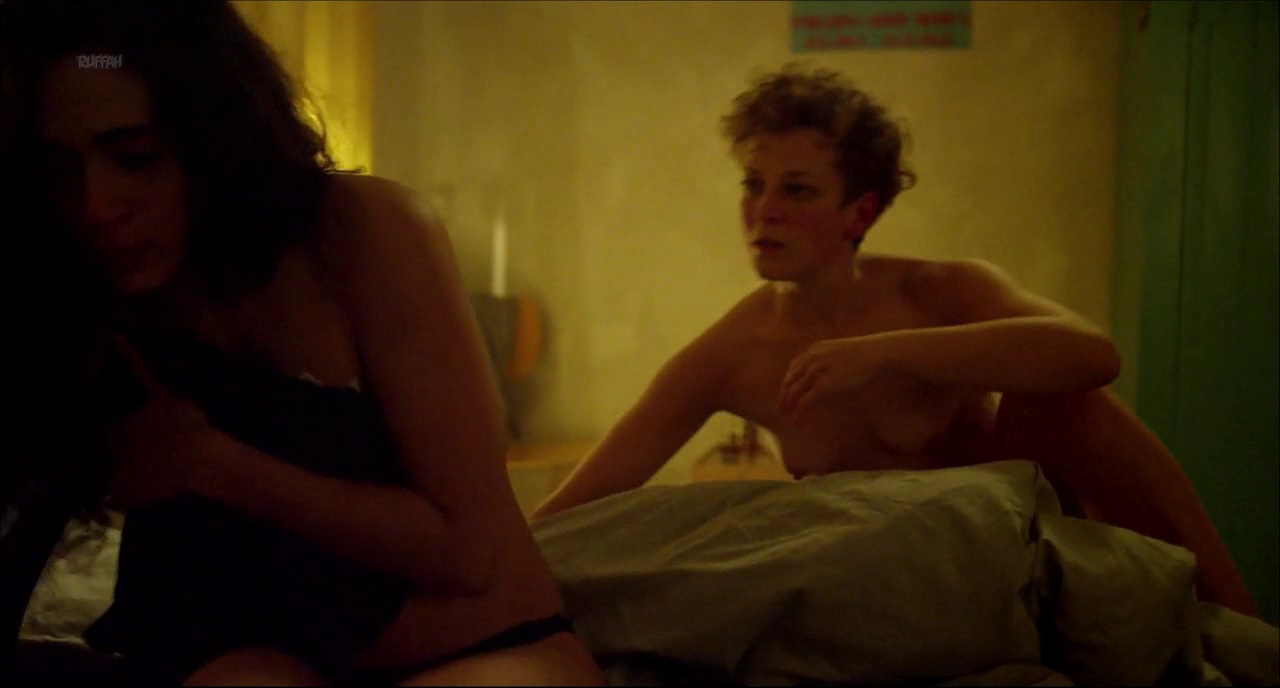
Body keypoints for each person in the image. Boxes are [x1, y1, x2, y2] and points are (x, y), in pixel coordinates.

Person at [0, 1, 603, 684]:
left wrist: (213, 464)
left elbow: (470, 551)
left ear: (212, 137)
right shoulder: (81, 288)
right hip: (257, 650)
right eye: (61, 171)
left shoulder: (360, 232)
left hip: (482, 644)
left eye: (135, 158)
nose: (96, 206)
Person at [532, 64, 1257, 617]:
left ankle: (1242, 623)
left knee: (1063, 403)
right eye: (753, 185)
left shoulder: (937, 291)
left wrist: (883, 352)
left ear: (860, 211)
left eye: (797, 190)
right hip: (892, 582)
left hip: (1008, 553)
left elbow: (1092, 355)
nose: (764, 211)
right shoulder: (736, 349)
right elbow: (583, 499)